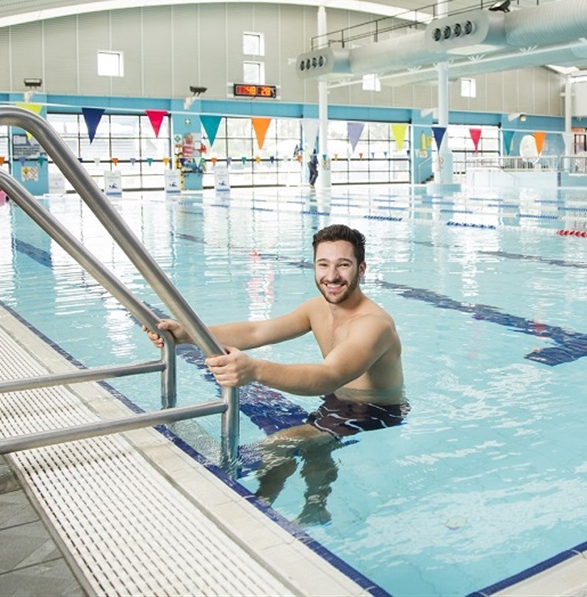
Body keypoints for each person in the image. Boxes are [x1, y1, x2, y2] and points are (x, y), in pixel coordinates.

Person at [145, 224, 405, 523]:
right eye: (323, 264)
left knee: (277, 444)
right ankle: (315, 508)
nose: (331, 276)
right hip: (338, 402)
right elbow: (258, 330)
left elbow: (330, 375)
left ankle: (256, 513)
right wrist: (187, 333)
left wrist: (255, 369)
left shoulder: (373, 324)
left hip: (375, 411)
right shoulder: (316, 308)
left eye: (343, 265)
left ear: (361, 269)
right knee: (314, 447)